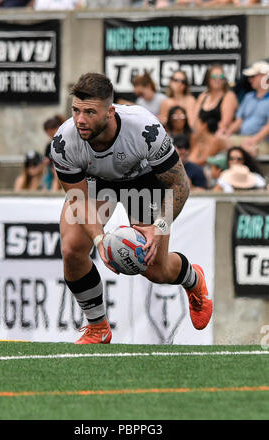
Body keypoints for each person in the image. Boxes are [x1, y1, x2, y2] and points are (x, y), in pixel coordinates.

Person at [50, 72, 213, 344]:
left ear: (110, 112)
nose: (80, 119)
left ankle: (193, 279)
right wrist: (100, 240)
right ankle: (98, 327)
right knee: (72, 249)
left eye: (90, 112)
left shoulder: (144, 129)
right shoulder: (64, 141)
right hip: (97, 182)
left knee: (156, 271)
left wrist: (159, 228)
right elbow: (78, 200)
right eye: (76, 110)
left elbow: (180, 185)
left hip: (143, 181)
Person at [225, 61, 269, 156]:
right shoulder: (248, 97)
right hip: (243, 138)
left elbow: (268, 127)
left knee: (245, 150)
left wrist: (253, 140)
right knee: (218, 140)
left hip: (262, 142)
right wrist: (227, 132)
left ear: (264, 77)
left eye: (253, 76)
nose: (249, 80)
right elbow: (239, 121)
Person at [193, 64, 238, 136]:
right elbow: (195, 119)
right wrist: (201, 133)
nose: (218, 79)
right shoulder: (202, 96)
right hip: (201, 135)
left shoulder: (229, 96)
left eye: (221, 76)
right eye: (214, 76)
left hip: (219, 136)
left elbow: (225, 124)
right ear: (208, 78)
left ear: (224, 80)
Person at [42, 115, 64, 191]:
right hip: (51, 172)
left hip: (63, 170)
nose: (50, 134)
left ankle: (54, 191)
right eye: (48, 133)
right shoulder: (49, 146)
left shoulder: (65, 142)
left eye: (51, 131)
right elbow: (46, 160)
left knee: (56, 173)